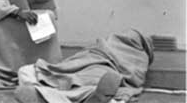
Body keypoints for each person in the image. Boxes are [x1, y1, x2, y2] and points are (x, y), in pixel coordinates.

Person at [14, 29, 154, 103]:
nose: (126, 37)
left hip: (100, 70)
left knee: (28, 72)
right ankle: (91, 98)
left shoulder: (139, 55)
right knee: (26, 70)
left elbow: (134, 77)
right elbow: (135, 79)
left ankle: (45, 95)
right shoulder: (104, 45)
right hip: (88, 66)